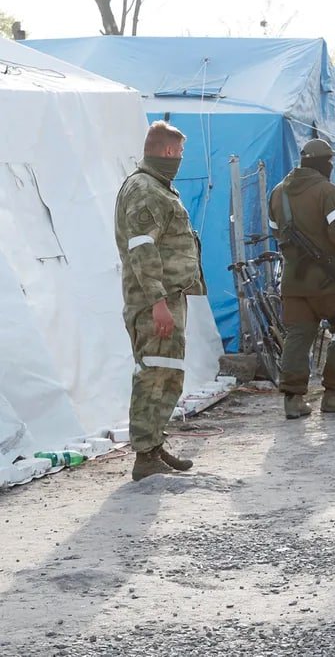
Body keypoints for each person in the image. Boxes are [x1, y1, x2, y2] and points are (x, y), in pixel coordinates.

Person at [114, 120, 202, 481]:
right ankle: (144, 454)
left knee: (167, 374)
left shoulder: (157, 187)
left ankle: (152, 445)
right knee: (153, 374)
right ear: (167, 151)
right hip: (156, 303)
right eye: (179, 152)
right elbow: (142, 248)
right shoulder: (145, 190)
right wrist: (158, 301)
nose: (180, 159)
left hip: (168, 298)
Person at [268, 138, 335, 418]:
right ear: (324, 163)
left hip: (292, 281)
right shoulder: (327, 190)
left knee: (298, 335)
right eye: (330, 161)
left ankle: (293, 399)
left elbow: (275, 231)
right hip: (327, 281)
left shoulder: (278, 192)